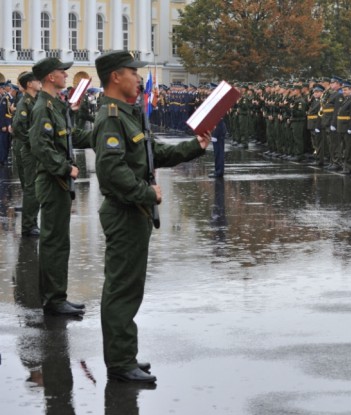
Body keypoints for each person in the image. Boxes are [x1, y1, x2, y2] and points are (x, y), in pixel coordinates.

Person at [92, 50, 211, 383]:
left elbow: (152, 152)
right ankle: (119, 364)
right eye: (133, 72)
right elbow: (111, 171)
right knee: (121, 290)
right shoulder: (112, 117)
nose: (138, 77)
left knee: (129, 289)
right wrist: (147, 193)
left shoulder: (129, 114)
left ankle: (124, 356)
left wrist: (194, 147)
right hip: (126, 211)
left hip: (134, 211)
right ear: (116, 76)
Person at [29, 57, 92, 316]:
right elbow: (39, 144)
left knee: (58, 240)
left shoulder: (55, 106)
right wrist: (65, 168)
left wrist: (98, 136)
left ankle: (57, 295)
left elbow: (69, 137)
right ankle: (53, 300)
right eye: (61, 72)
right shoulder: (43, 107)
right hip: (53, 180)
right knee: (54, 242)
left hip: (59, 181)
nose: (66, 76)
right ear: (50, 77)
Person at [12, 72, 42, 236]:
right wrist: (32, 143)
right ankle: (29, 225)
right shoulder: (25, 102)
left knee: (34, 187)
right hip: (29, 150)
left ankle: (31, 223)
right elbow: (18, 127)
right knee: (31, 188)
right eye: (37, 80)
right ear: (29, 84)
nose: (40, 82)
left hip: (32, 149)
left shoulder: (35, 100)